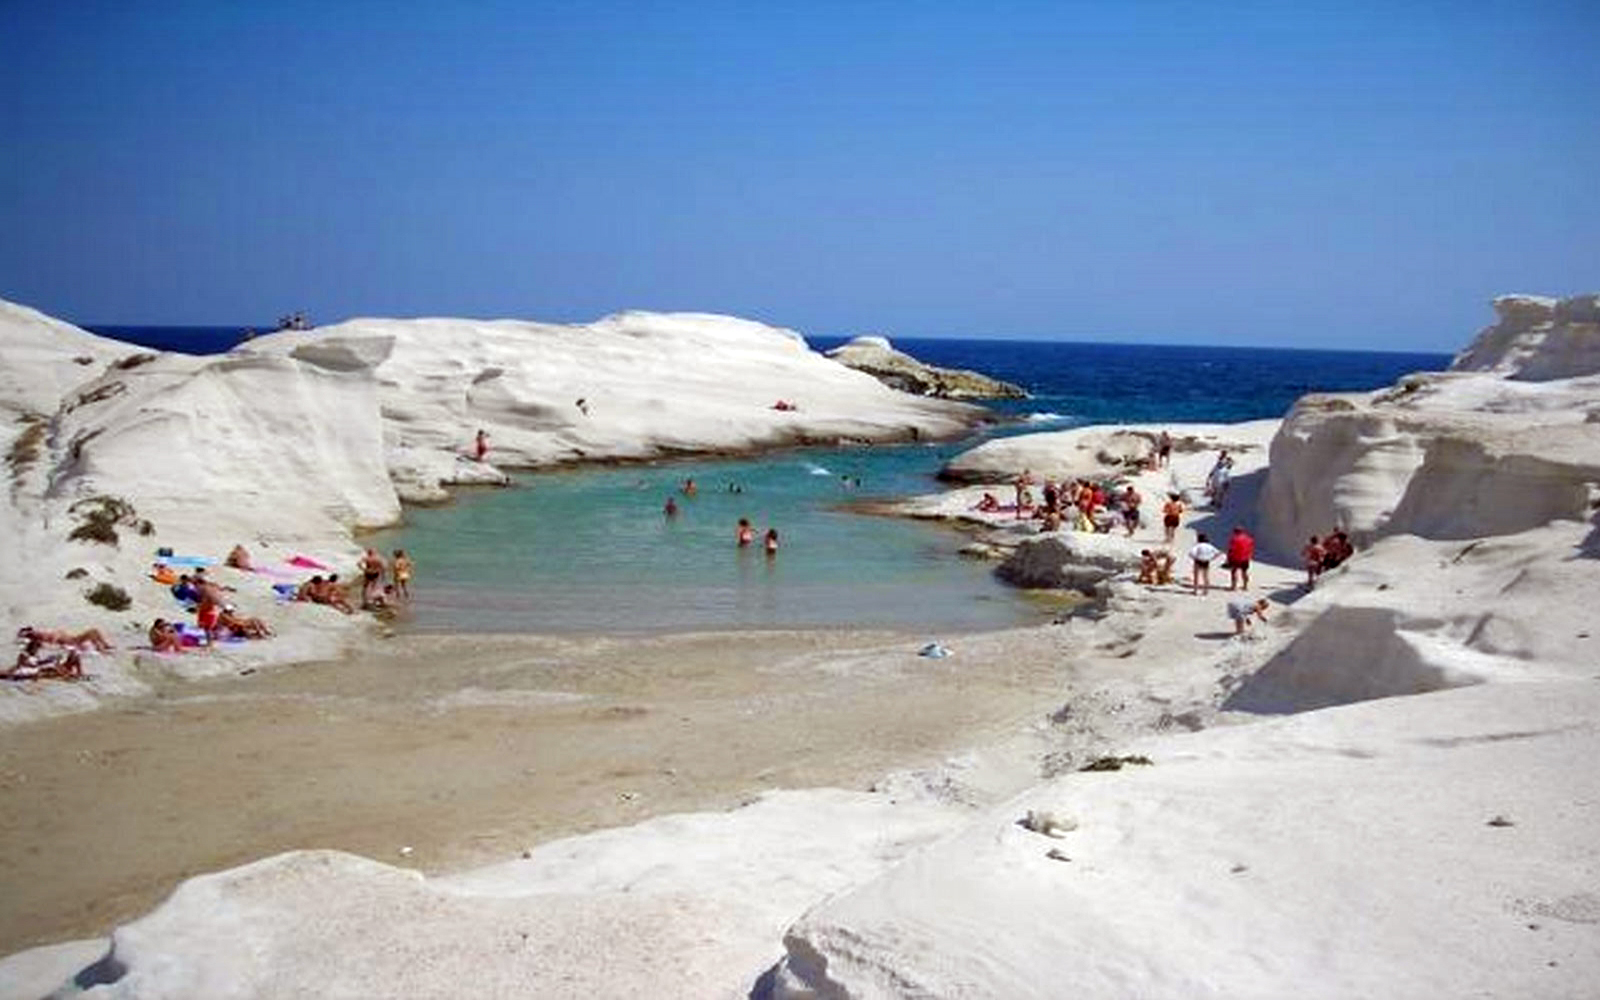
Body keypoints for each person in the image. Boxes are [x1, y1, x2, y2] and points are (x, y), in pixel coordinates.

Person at [5, 637, 84, 681]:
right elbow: (21, 665)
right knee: (53, 667)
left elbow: (38, 662)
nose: (37, 649)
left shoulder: (35, 655)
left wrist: (48, 660)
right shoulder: (24, 654)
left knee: (57, 663)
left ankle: (76, 673)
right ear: (31, 647)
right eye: (36, 647)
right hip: (30, 669)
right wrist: (39, 664)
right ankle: (70, 674)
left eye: (37, 647)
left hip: (36, 668)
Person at [17, 625, 112, 654]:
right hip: (72, 641)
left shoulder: (42, 634)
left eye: (34, 631)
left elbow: (58, 634)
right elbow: (54, 642)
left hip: (72, 638)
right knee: (92, 632)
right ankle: (101, 648)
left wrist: (59, 633)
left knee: (94, 631)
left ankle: (104, 645)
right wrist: (57, 637)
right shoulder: (42, 638)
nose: (35, 631)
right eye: (33, 632)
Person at [1225, 526, 1255, 591]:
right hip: (1245, 558)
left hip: (1235, 558)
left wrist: (1228, 557)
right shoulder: (1249, 539)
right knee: (1244, 572)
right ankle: (1245, 586)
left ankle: (1234, 586)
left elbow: (1231, 549)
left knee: (1234, 572)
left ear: (1236, 531)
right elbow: (1251, 548)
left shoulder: (1234, 539)